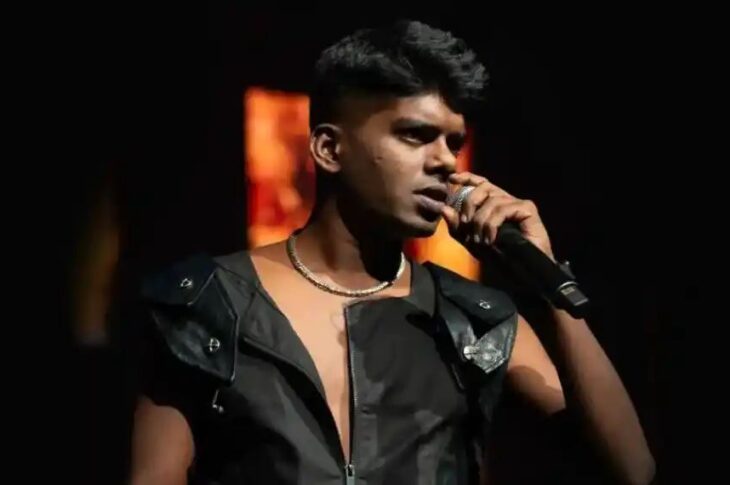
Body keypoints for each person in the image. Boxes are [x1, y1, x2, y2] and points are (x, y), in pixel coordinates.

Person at [129, 20, 655, 484]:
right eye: (415, 135)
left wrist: (547, 283)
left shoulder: (472, 318)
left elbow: (631, 470)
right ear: (329, 149)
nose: (445, 162)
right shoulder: (206, 302)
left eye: (453, 142)